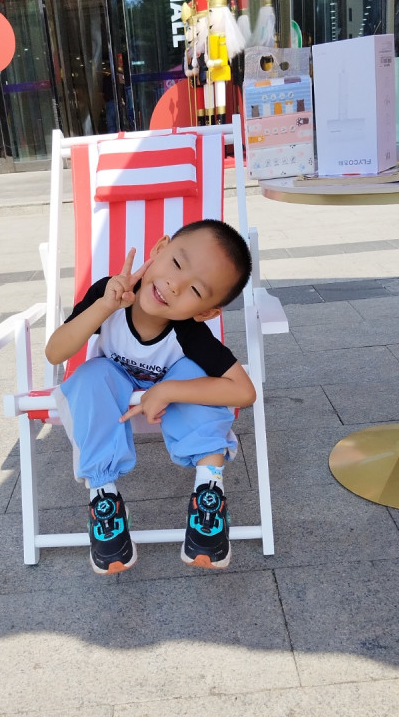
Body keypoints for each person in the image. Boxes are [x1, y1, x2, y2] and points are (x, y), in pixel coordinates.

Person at [45, 219, 255, 575]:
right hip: (112, 390)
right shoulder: (108, 295)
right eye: (176, 263)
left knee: (193, 375)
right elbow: (55, 353)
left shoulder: (190, 332)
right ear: (158, 249)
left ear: (205, 313)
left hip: (168, 401)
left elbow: (244, 391)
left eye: (195, 290)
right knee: (89, 376)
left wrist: (168, 389)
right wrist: (104, 308)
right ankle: (104, 498)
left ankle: (209, 494)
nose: (174, 284)